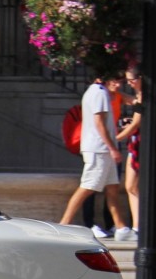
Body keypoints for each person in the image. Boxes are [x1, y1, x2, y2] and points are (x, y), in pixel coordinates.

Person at [58, 73, 132, 240]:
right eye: (115, 80)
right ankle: (64, 223)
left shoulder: (100, 92)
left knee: (112, 188)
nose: (118, 84)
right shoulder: (99, 92)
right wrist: (113, 148)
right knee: (88, 187)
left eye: (120, 81)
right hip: (99, 149)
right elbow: (99, 123)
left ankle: (121, 228)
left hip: (102, 148)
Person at [116, 68, 144, 235]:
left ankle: (140, 225)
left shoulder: (144, 95)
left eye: (131, 80)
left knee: (132, 185)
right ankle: (137, 225)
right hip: (135, 140)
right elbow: (131, 104)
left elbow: (136, 124)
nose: (129, 83)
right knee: (130, 186)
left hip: (139, 142)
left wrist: (116, 138)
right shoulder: (139, 96)